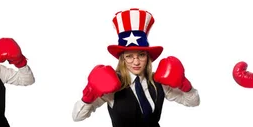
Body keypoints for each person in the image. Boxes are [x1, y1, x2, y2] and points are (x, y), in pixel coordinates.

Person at [71, 8, 200, 127]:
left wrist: (185, 85)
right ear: (122, 59)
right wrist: (89, 94)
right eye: (129, 56)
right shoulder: (111, 85)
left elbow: (194, 102)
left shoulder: (159, 82)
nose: (136, 62)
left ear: (148, 57)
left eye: (141, 55)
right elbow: (77, 117)